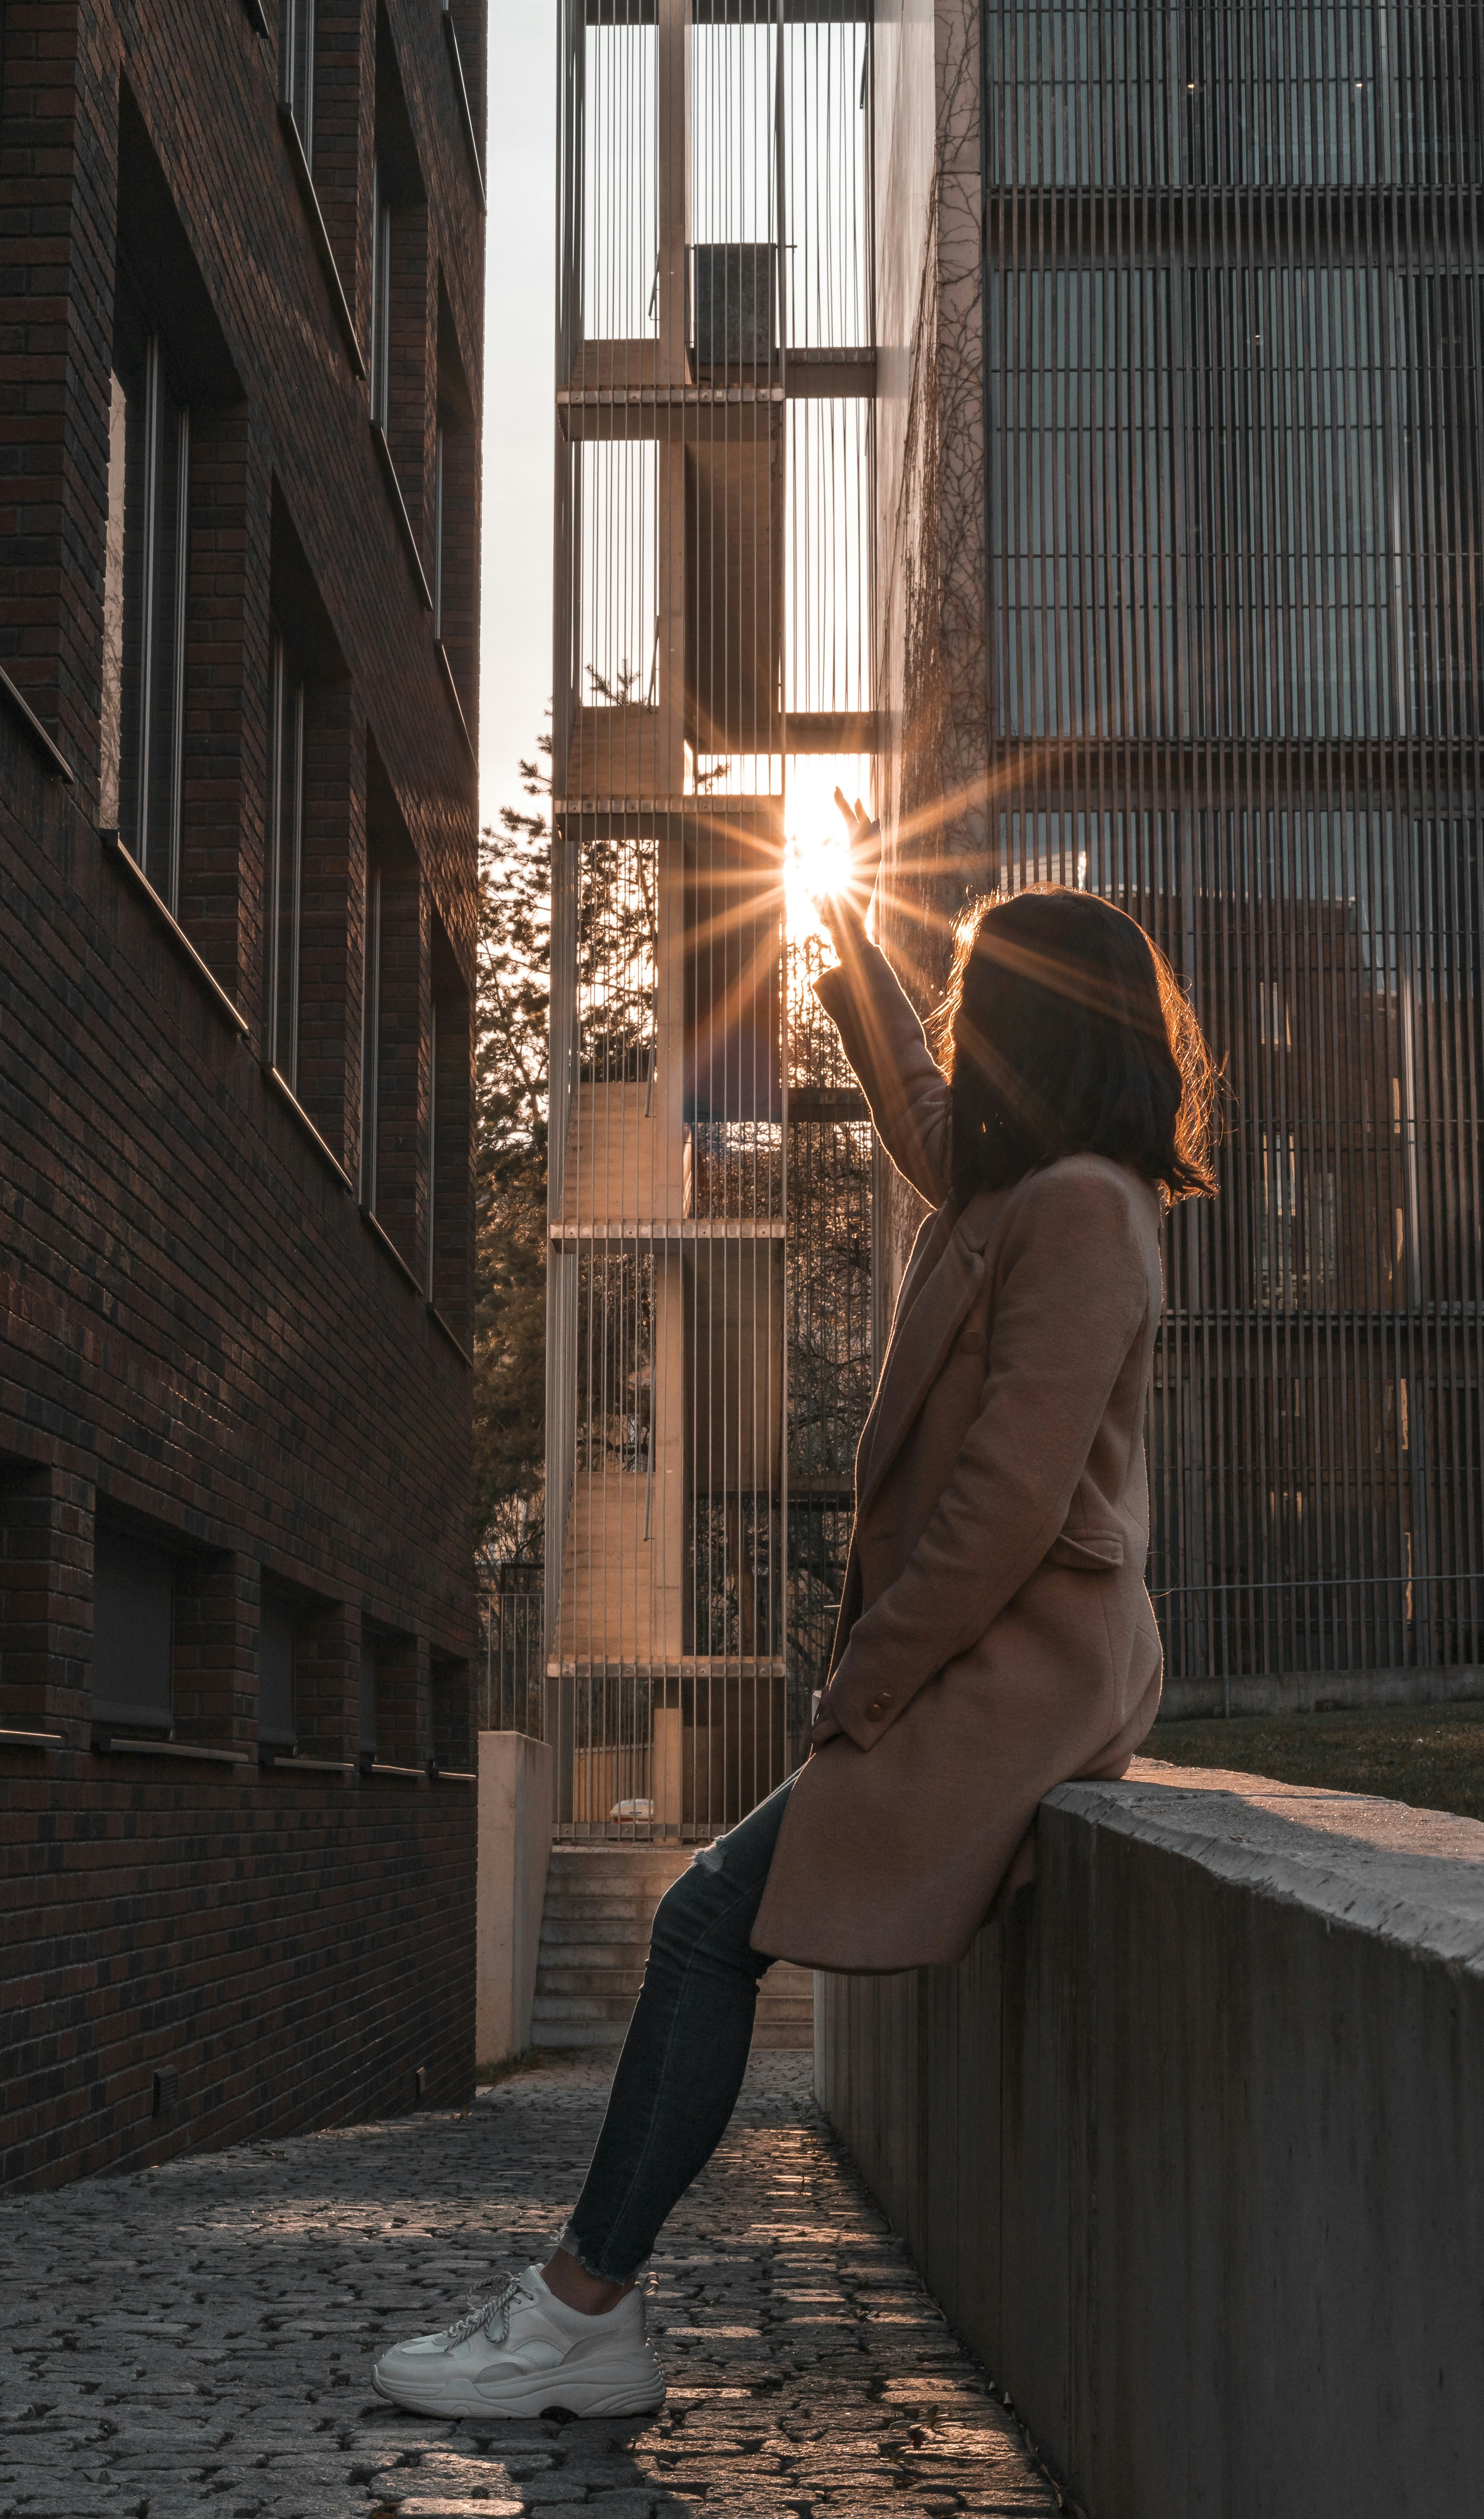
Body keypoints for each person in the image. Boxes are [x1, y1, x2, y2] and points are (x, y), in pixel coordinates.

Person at [373, 795, 1216, 2421]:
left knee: (703, 1924)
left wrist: (868, 1688)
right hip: (985, 1656)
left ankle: (582, 2313)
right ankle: (582, 2304)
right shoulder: (1020, 1190)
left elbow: (1006, 1508)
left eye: (979, 1006)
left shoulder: (1086, 1213)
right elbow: (914, 1111)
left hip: (1010, 1668)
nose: (956, 1036)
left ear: (1034, 1035)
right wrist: (849, 936)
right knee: (713, 1928)